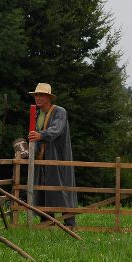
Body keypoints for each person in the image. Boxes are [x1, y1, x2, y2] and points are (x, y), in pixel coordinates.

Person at [27, 83, 77, 228]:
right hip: (41, 158)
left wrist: (40, 135)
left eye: (41, 95)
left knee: (62, 188)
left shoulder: (59, 112)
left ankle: (69, 224)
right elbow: (34, 136)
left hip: (58, 157)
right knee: (42, 189)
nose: (38, 98)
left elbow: (56, 129)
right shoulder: (36, 114)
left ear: (49, 97)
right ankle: (46, 224)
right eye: (36, 95)